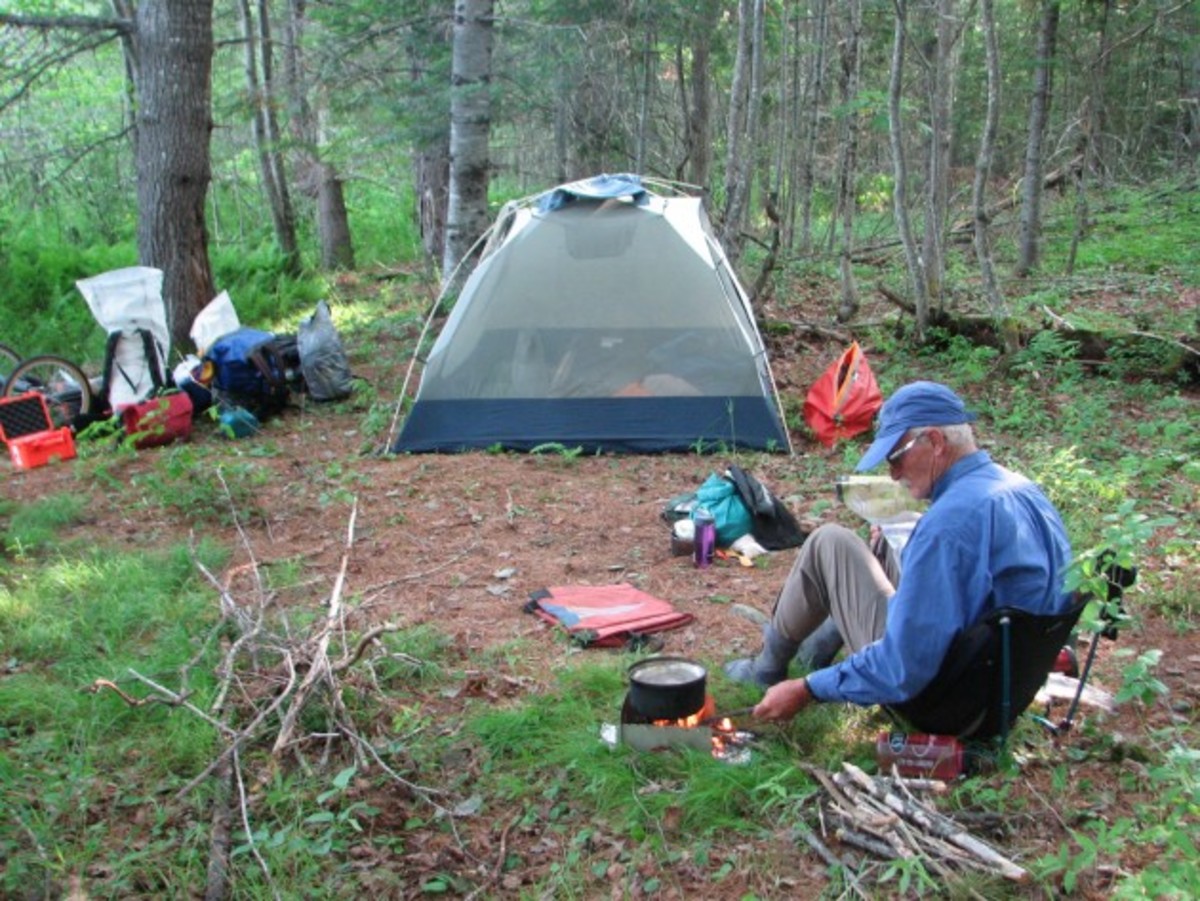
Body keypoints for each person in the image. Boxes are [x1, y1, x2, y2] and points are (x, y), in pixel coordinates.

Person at [724, 381, 1073, 736]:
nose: (892, 472)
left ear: (936, 442)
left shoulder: (948, 525)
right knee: (883, 547)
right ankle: (811, 656)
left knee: (828, 542)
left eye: (896, 456)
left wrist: (808, 689)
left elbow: (902, 668)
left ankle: (769, 669)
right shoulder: (1022, 490)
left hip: (943, 702)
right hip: (998, 690)